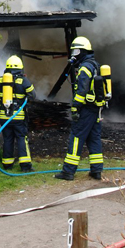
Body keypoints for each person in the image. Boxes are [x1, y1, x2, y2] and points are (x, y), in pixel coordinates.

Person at [54, 36, 106, 181]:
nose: (73, 55)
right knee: (94, 138)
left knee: (76, 137)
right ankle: (96, 171)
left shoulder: (84, 68)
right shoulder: (95, 65)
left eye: (75, 52)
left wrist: (75, 107)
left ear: (81, 51)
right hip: (96, 108)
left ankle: (68, 172)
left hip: (86, 109)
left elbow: (81, 91)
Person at [0, 55, 36, 172]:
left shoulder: (0, 80)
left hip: (4, 117)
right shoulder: (23, 81)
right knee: (22, 138)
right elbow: (33, 95)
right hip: (18, 117)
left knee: (7, 139)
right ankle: (25, 165)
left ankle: (7, 164)